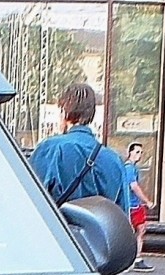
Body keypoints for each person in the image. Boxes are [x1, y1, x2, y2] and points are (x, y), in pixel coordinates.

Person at [28, 83, 130, 212]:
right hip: (97, 232)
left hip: (55, 230)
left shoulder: (50, 148)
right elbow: (122, 217)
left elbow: (27, 197)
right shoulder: (114, 160)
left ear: (64, 112)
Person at [123, 141, 153, 269]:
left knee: (141, 229)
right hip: (131, 205)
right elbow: (133, 186)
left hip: (135, 204)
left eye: (141, 152)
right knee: (135, 231)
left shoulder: (133, 168)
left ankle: (137, 258)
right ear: (130, 153)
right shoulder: (129, 168)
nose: (139, 155)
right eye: (137, 152)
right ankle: (132, 258)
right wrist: (147, 201)